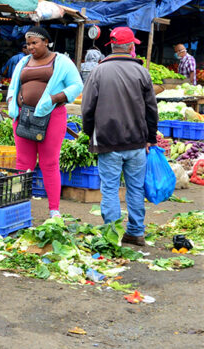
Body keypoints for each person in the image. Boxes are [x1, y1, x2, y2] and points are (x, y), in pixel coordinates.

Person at [81, 27, 157, 246]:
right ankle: (135, 232)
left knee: (110, 189)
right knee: (135, 188)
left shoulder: (98, 71)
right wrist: (150, 138)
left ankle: (112, 236)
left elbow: (87, 109)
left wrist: (89, 133)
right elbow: (151, 110)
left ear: (111, 46)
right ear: (131, 46)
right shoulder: (142, 72)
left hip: (107, 141)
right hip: (137, 142)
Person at [7, 26, 83, 218]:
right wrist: (11, 101)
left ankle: (54, 210)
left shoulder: (62, 61)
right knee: (23, 162)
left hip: (52, 116)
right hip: (24, 117)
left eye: (35, 43)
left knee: (49, 163)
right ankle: (19, 205)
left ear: (46, 42)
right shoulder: (23, 61)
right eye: (28, 43)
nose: (31, 47)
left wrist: (54, 98)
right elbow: (13, 85)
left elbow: (77, 85)